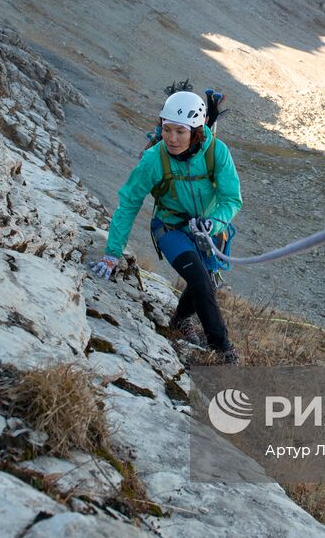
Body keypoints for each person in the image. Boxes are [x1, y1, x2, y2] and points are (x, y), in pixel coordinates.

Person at [89, 90, 243, 364]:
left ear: (196, 132)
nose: (171, 138)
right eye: (167, 129)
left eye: (180, 132)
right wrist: (112, 252)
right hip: (170, 227)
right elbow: (129, 204)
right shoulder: (154, 159)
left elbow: (231, 199)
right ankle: (223, 349)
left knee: (205, 281)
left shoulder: (217, 152)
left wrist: (214, 222)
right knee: (200, 280)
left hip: (210, 228)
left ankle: (180, 320)